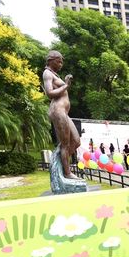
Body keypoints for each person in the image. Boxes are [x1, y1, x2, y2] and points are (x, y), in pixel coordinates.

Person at [42, 50, 80, 179]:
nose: (61, 64)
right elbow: (49, 93)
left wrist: (64, 83)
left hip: (64, 112)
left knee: (76, 141)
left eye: (61, 62)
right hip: (58, 111)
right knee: (65, 144)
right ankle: (67, 173)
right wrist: (66, 85)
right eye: (59, 61)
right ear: (51, 60)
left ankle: (58, 162)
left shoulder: (54, 75)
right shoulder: (47, 73)